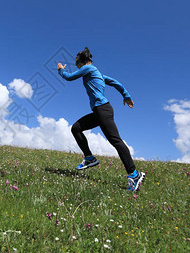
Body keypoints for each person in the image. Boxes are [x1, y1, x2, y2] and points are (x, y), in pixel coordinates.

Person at [57, 47, 145, 191]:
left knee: (115, 140)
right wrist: (126, 95)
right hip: (100, 111)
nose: (77, 66)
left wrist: (60, 69)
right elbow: (116, 82)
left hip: (102, 110)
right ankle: (90, 158)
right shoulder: (97, 73)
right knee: (76, 128)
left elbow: (69, 77)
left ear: (82, 62)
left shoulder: (88, 69)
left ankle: (134, 174)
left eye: (77, 63)